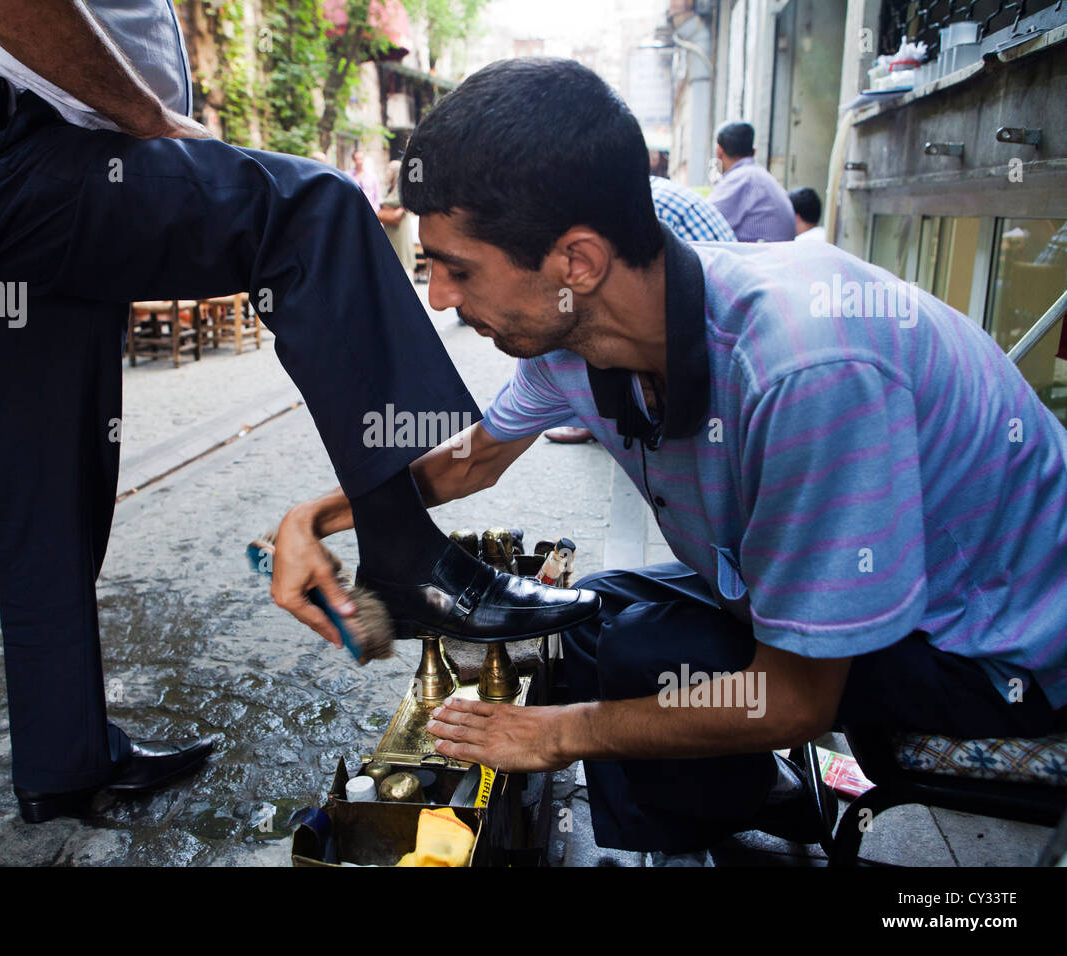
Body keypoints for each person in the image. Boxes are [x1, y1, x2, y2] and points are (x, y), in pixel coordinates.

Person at [274, 58, 1067, 864]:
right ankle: (749, 799)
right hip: (878, 594)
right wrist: (313, 518)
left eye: (459, 268)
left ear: (575, 263)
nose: (438, 296)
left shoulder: (805, 374)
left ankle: (723, 824)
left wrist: (554, 737)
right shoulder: (574, 335)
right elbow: (469, 463)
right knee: (586, 614)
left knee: (651, 655)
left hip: (993, 654)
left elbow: (793, 698)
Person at [0, 3, 598, 824]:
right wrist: (146, 118)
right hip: (0, 150)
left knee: (48, 486)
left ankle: (60, 757)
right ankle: (407, 557)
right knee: (315, 210)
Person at [544, 175, 735, 445]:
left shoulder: (633, 209)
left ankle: (598, 419)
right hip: (713, 288)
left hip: (703, 309)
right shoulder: (643, 191)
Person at [708, 121, 796, 242]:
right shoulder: (759, 176)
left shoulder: (741, 178)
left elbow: (703, 222)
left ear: (719, 151)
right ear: (754, 152)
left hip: (759, 258)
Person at [378, 159, 416, 276]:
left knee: (402, 256)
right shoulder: (390, 187)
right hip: (390, 228)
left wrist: (384, 202)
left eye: (389, 170)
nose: (387, 172)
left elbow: (398, 200)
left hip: (399, 227)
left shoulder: (401, 186)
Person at [349, 148, 381, 212]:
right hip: (354, 210)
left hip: (370, 210)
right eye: (357, 159)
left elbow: (377, 195)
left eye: (361, 158)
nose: (359, 161)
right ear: (353, 160)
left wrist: (375, 210)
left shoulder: (372, 176)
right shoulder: (348, 176)